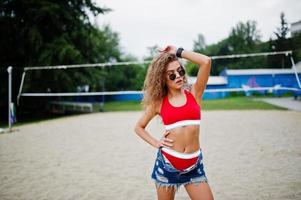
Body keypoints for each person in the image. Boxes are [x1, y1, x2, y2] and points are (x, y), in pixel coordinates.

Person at [134, 45, 214, 200]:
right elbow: (139, 127)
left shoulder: (194, 92)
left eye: (180, 71)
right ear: (162, 78)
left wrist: (177, 51)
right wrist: (156, 142)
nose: (178, 76)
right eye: (171, 75)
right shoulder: (158, 103)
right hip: (167, 166)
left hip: (194, 167)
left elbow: (206, 61)